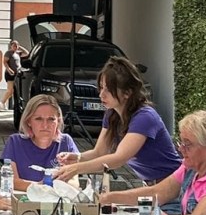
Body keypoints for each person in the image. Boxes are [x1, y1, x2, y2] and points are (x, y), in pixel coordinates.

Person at [53, 56, 181, 200]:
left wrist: (76, 168)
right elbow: (99, 152)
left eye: (109, 90)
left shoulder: (145, 117)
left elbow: (119, 158)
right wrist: (77, 157)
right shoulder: (111, 115)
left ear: (127, 93)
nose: (101, 94)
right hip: (153, 186)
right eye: (101, 87)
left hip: (174, 186)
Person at [0, 95, 78, 192]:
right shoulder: (15, 142)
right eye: (39, 119)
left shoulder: (66, 142)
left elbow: (74, 183)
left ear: (58, 121)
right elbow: (11, 181)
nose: (45, 125)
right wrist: (44, 185)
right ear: (28, 121)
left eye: (51, 119)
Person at [0, 40, 27, 111]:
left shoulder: (18, 53)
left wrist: (20, 47)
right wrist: (9, 70)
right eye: (14, 45)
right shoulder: (8, 53)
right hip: (10, 74)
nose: (15, 47)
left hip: (17, 74)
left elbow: (27, 53)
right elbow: (4, 62)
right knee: (10, 90)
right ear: (11, 46)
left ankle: (3, 102)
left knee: (12, 91)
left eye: (16, 46)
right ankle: (2, 102)